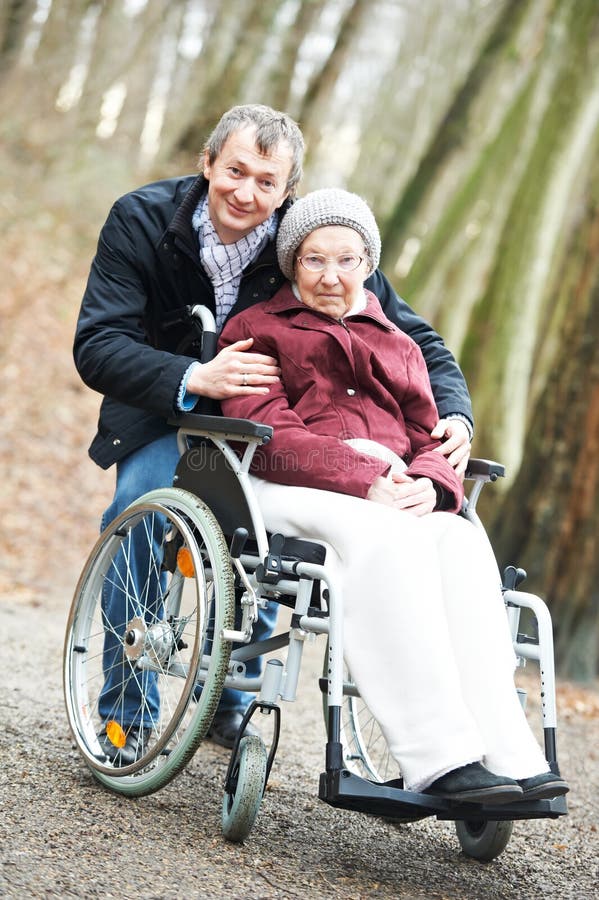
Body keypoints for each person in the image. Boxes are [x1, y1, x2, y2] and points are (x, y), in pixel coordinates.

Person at [74, 104, 473, 761]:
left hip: (271, 424)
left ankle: (231, 695)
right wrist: (195, 374)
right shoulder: (141, 221)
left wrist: (453, 413)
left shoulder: (312, 241)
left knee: (269, 535)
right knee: (136, 515)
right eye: (234, 171)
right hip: (163, 413)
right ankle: (126, 715)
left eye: (267, 181)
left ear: (287, 190)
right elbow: (98, 344)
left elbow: (410, 334)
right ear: (206, 165)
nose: (246, 192)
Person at [218, 188, 568, 803]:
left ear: (368, 262)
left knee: (457, 538)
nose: (331, 276)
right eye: (313, 259)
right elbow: (270, 435)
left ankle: (508, 753)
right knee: (382, 537)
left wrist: (432, 485)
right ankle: (438, 759)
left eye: (347, 260)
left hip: (395, 488)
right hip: (289, 485)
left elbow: (426, 434)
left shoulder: (397, 341)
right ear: (291, 263)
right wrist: (365, 479)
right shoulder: (257, 329)